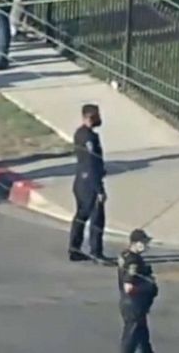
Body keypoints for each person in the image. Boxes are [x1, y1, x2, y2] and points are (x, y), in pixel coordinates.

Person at [68, 104, 107, 262]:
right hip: (90, 183)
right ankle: (96, 251)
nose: (98, 119)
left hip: (80, 182)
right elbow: (91, 163)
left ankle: (74, 248)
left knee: (81, 216)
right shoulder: (89, 137)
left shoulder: (80, 133)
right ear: (87, 118)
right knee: (97, 219)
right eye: (95, 117)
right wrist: (99, 190)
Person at [117, 229, 157, 353]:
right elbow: (128, 286)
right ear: (135, 243)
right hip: (134, 304)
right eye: (144, 242)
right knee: (131, 338)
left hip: (131, 304)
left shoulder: (125, 255)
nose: (146, 245)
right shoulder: (133, 261)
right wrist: (148, 287)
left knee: (142, 336)